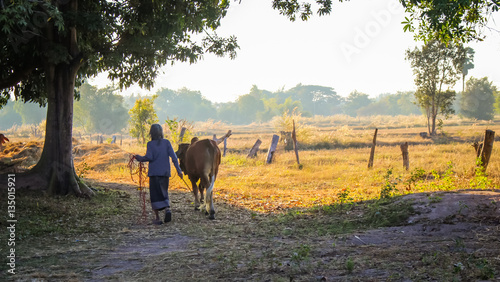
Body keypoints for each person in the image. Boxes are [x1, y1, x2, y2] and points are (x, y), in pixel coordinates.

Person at [134, 124, 183, 225]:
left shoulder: (150, 144)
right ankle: (167, 209)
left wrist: (139, 158)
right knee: (163, 191)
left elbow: (149, 157)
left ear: (151, 133)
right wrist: (179, 171)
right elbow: (174, 157)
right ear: (161, 132)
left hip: (154, 173)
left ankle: (157, 218)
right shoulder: (167, 143)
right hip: (165, 173)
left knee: (155, 194)